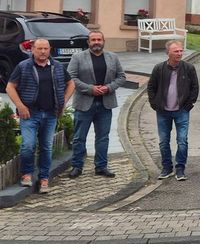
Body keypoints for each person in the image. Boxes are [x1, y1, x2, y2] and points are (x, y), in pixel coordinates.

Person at [5, 38, 74, 193]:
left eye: (45, 49)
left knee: (46, 147)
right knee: (28, 145)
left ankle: (44, 178)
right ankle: (27, 174)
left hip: (50, 114)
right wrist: (21, 106)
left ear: (50, 50)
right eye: (39, 48)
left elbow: (71, 84)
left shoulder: (57, 66)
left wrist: (63, 101)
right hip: (30, 113)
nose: (43, 52)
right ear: (32, 50)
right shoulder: (23, 66)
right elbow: (10, 87)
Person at [67, 30, 127, 179]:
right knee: (79, 137)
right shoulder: (78, 57)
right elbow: (70, 77)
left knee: (103, 137)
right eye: (93, 40)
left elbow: (121, 77)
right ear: (88, 42)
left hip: (105, 104)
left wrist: (109, 87)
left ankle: (101, 166)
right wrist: (90, 89)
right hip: (84, 104)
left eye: (99, 39)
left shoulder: (113, 57)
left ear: (103, 41)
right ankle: (77, 166)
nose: (96, 42)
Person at [146, 40, 199, 181]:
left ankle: (180, 168)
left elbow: (195, 88)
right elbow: (151, 87)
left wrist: (189, 105)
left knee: (182, 141)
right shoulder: (159, 68)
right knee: (164, 141)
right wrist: (155, 104)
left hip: (182, 110)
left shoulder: (188, 68)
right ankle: (167, 168)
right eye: (176, 51)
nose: (179, 53)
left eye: (181, 51)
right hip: (163, 111)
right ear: (168, 52)